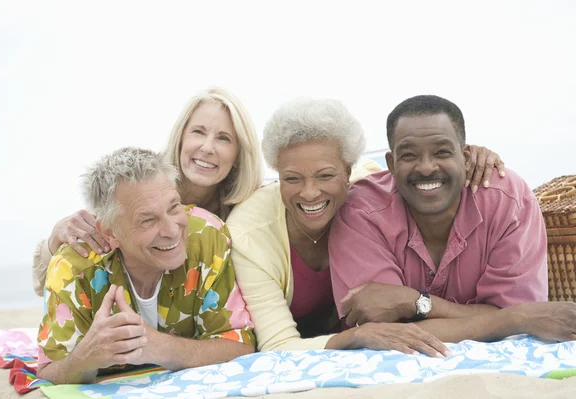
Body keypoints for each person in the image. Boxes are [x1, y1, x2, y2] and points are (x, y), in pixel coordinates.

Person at [227, 97, 505, 356]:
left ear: (348, 171)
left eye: (325, 175)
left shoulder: (367, 196)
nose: (310, 192)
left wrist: (476, 156)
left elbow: (418, 171)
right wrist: (356, 337)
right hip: (323, 350)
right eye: (292, 178)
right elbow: (277, 345)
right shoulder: (249, 233)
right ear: (277, 173)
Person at [329, 94, 576, 343]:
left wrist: (413, 302)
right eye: (409, 155)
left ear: (466, 159)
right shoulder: (361, 211)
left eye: (442, 152)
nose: (426, 167)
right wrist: (510, 320)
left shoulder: (509, 201)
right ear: (391, 164)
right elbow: (385, 333)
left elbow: (525, 326)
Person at [37, 147, 255, 384]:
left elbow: (240, 344)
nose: (172, 231)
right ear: (110, 233)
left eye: (174, 207)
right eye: (148, 220)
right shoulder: (72, 268)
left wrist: (156, 346)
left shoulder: (207, 237)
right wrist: (86, 357)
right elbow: (49, 370)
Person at [32, 87, 263, 295]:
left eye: (223, 138)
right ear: (181, 137)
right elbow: (46, 285)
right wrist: (55, 241)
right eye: (198, 132)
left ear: (238, 155)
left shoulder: (251, 210)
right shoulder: (138, 186)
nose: (207, 147)